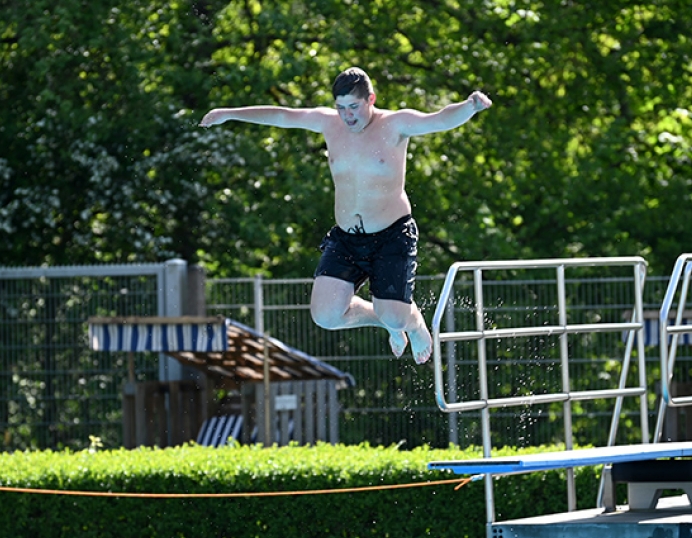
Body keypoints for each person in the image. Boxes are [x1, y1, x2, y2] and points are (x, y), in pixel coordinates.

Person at [200, 67, 490, 364]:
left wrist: (470, 107)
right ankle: (387, 322)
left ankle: (412, 324)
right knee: (326, 315)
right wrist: (229, 113)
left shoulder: (396, 124)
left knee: (397, 318)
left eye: (353, 107)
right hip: (347, 239)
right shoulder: (329, 124)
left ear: (371, 100)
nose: (347, 116)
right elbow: (283, 115)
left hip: (392, 236)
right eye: (340, 108)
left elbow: (439, 119)